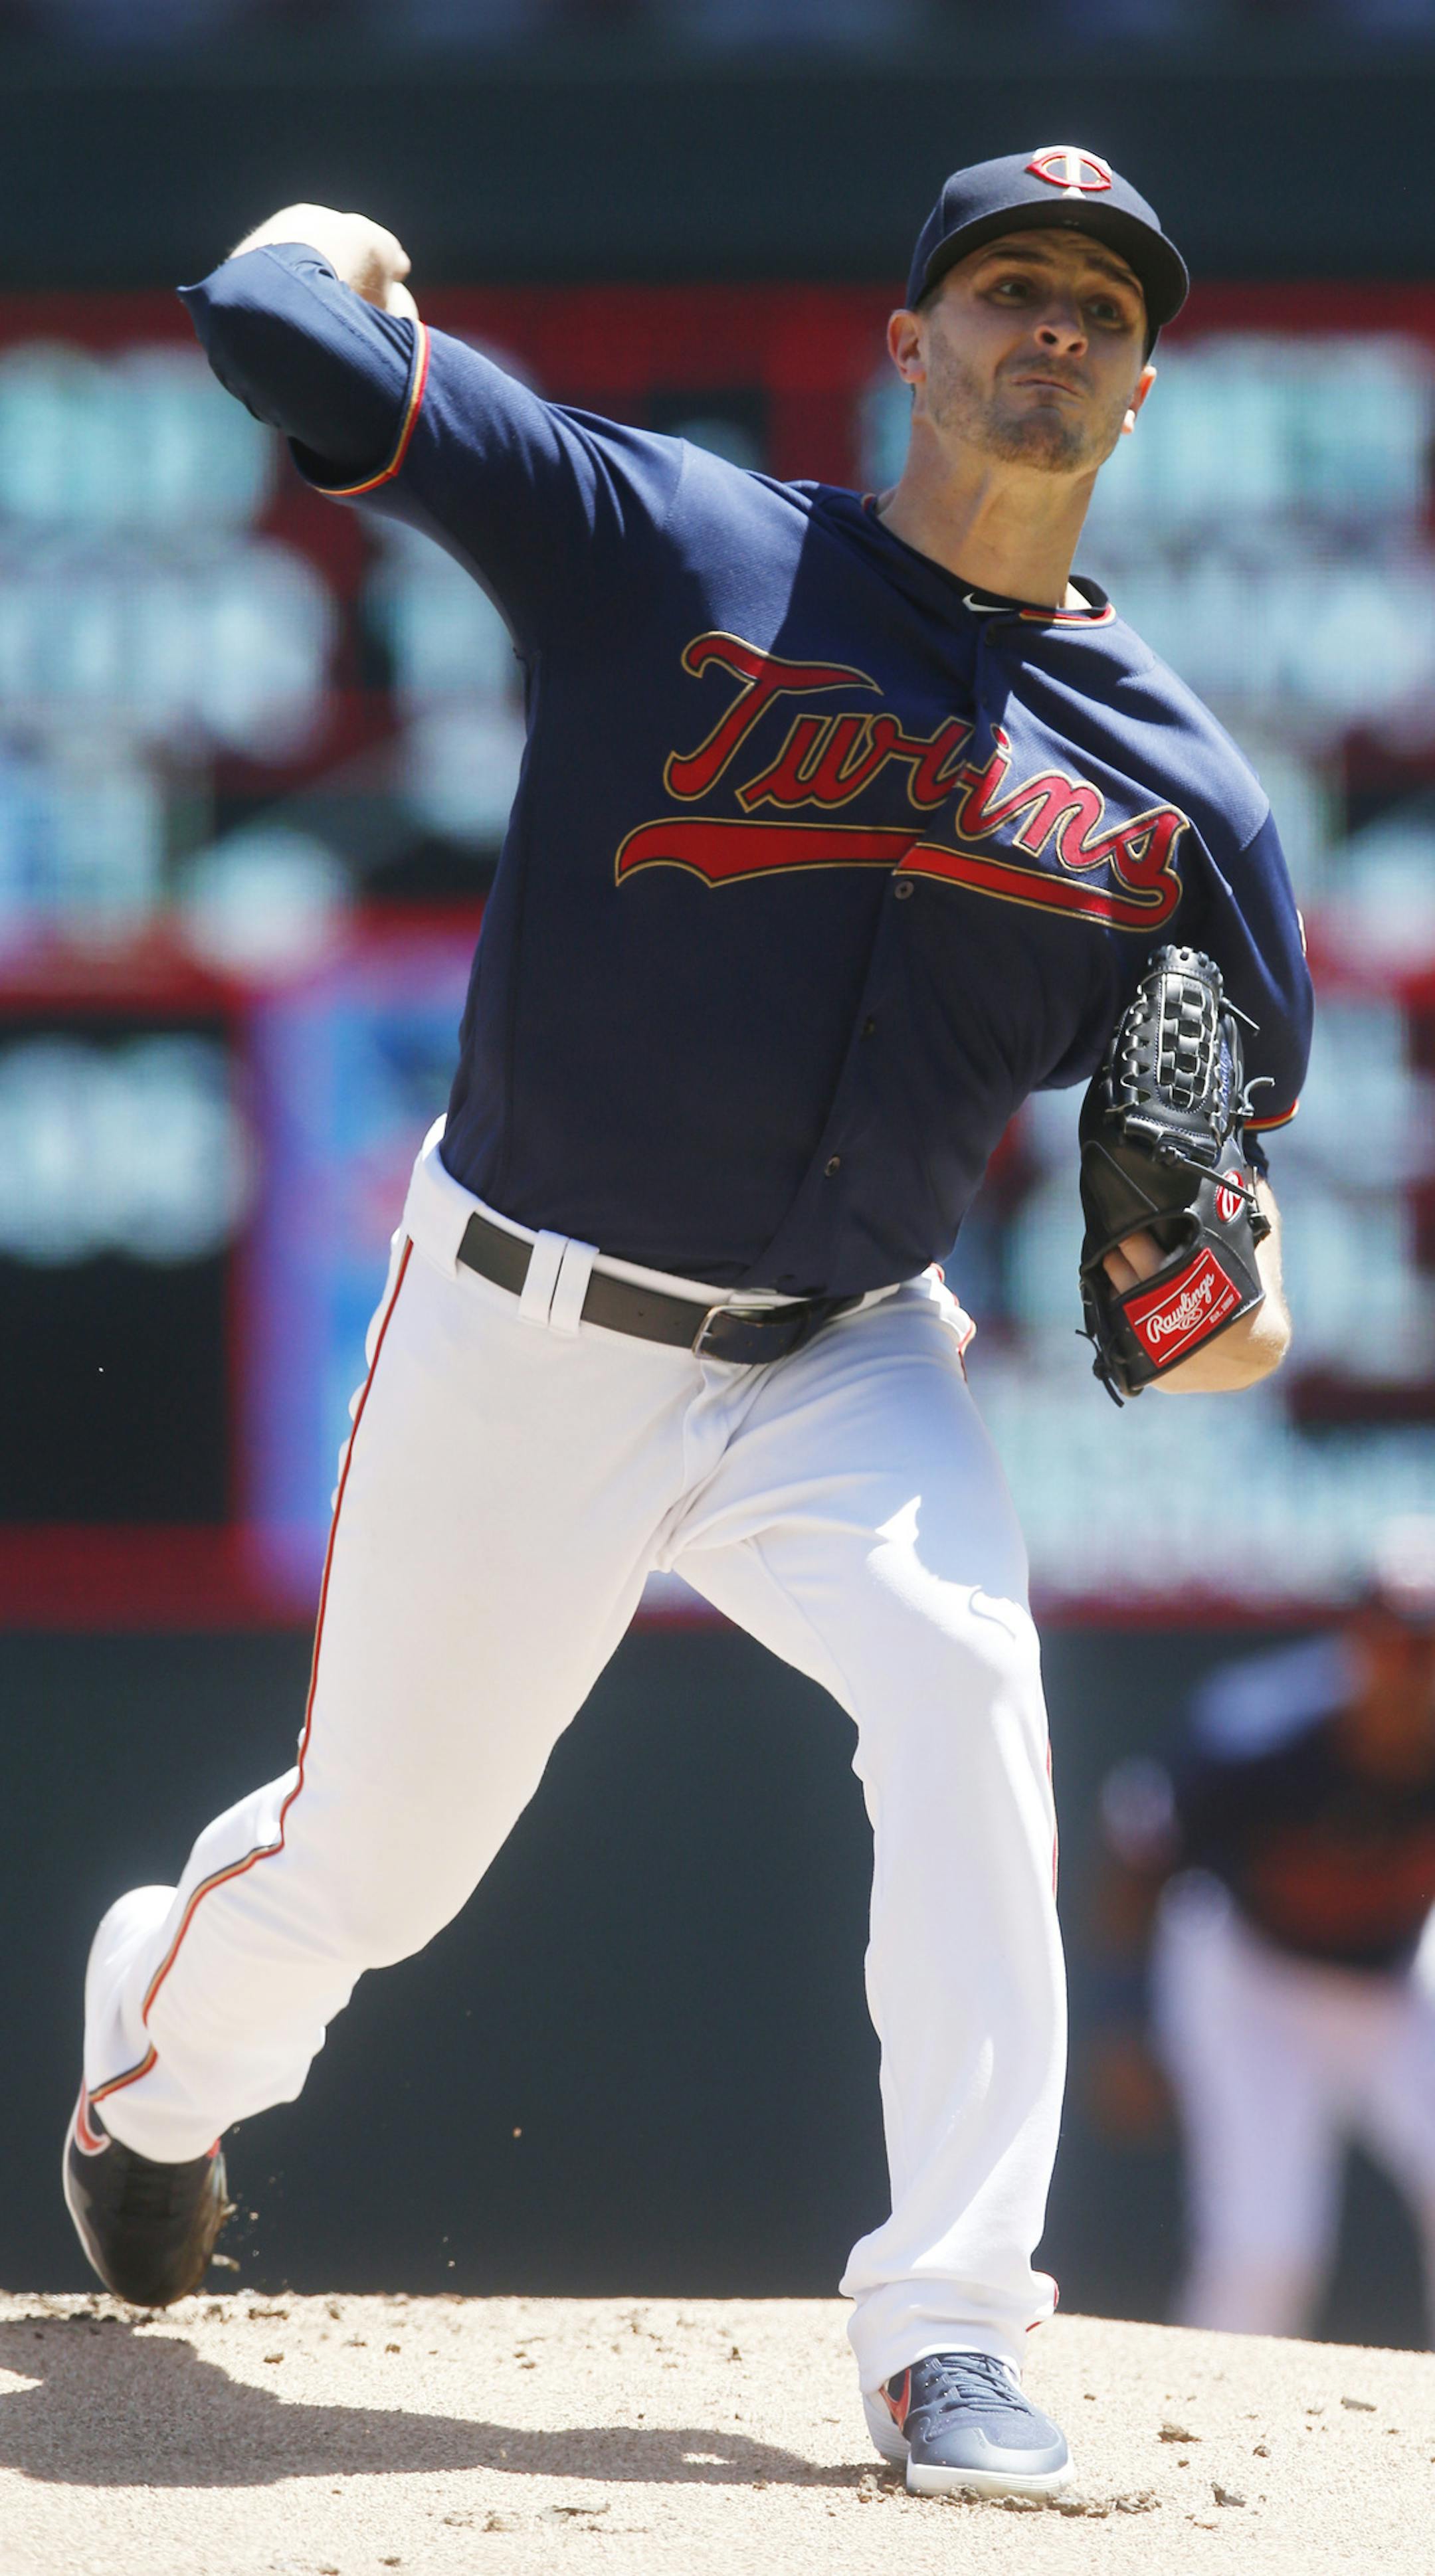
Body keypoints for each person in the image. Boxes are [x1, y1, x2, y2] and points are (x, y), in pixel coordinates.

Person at [62, 146, 1311, 2498]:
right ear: (911, 341)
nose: (1055, 329)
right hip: (526, 1323)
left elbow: (1206, 1208)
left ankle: (949, 2329)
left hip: (851, 1350)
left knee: (965, 1698)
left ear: (1141, 394)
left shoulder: (1178, 796)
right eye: (1011, 289)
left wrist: (1219, 1277)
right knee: (374, 1872)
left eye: (1102, 313)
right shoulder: (681, 543)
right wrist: (321, 249)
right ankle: (155, 2058)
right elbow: (272, 331)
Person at [1092, 1518, 1435, 2340]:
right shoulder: (1257, 1732)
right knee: (1265, 2251)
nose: (1414, 1667)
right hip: (1252, 1981)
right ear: (1359, 1636)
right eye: (1399, 1637)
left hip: (1395, 1982)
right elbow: (1139, 1860)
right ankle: (1207, 2441)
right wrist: (1121, 2017)